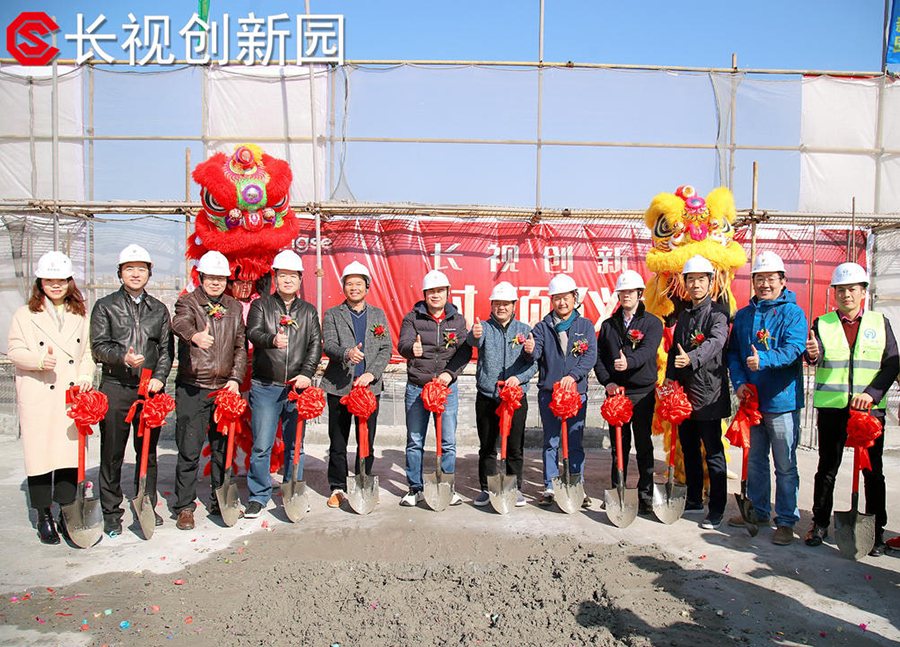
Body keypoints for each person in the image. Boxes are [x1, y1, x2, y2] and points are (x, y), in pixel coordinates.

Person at [804, 262, 898, 556]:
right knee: (827, 469)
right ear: (834, 293)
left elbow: (892, 363)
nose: (846, 294)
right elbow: (815, 355)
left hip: (868, 413)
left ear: (863, 292)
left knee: (873, 472)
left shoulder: (880, 323)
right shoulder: (822, 323)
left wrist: (871, 394)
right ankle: (820, 523)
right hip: (833, 409)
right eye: (841, 289)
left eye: (852, 289)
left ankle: (876, 532)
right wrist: (812, 355)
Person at [8, 252, 95, 544]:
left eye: (61, 280)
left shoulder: (80, 315)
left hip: (70, 397)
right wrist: (37, 360)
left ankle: (66, 512)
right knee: (40, 458)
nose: (55, 286)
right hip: (39, 393)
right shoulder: (25, 315)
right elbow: (14, 351)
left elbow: (87, 353)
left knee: (68, 458)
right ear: (40, 283)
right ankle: (43, 514)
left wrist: (85, 376)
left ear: (70, 282)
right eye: (49, 280)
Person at [90, 244, 173, 538]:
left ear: (149, 273)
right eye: (129, 269)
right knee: (112, 452)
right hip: (116, 387)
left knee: (147, 453)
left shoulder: (158, 309)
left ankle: (146, 504)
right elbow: (98, 346)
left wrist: (159, 378)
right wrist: (121, 357)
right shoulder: (105, 306)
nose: (135, 274)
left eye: (141, 269)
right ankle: (111, 512)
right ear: (120, 273)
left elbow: (166, 350)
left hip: (149, 391)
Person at [726, 252, 807, 545]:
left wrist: (766, 359)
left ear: (782, 281)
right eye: (759, 279)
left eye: (770, 279)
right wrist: (739, 383)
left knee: (785, 465)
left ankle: (785, 520)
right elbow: (734, 353)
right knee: (755, 461)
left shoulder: (793, 313)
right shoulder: (744, 315)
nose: (764, 284)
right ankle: (759, 511)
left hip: (782, 402)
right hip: (752, 400)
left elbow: (795, 348)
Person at [171, 251, 248, 530]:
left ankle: (219, 500)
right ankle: (184, 505)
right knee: (189, 449)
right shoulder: (188, 302)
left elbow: (240, 346)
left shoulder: (234, 307)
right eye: (210, 277)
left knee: (222, 450)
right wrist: (194, 336)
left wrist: (236, 379)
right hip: (194, 387)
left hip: (224, 388)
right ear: (201, 278)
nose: (215, 282)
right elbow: (179, 323)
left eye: (220, 278)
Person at [244, 250, 322, 519]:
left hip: (296, 387)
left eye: (293, 276)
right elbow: (253, 332)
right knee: (262, 445)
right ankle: (258, 496)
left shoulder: (308, 311)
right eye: (283, 275)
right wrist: (271, 340)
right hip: (266, 385)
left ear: (300, 279)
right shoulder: (261, 306)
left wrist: (307, 374)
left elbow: (315, 345)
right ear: (275, 278)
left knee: (295, 444)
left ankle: (293, 490)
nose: (288, 280)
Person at [665, 255, 730, 530]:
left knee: (713, 453)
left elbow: (716, 342)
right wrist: (669, 380)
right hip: (685, 396)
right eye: (691, 280)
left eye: (701, 280)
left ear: (710, 283)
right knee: (689, 448)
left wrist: (691, 358)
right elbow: (674, 351)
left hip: (710, 395)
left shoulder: (718, 314)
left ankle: (716, 508)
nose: (696, 285)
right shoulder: (684, 315)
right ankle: (694, 499)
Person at [397, 269, 472, 507]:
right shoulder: (412, 318)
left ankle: (446, 487)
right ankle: (415, 489)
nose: (436, 295)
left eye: (440, 291)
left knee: (447, 441)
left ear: (448, 293)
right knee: (415, 440)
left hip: (446, 389)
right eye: (431, 291)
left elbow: (464, 351)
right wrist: (412, 349)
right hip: (418, 387)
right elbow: (403, 344)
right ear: (425, 294)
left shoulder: (457, 320)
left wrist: (449, 375)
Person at [321, 261, 392, 508]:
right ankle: (338, 486)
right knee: (338, 439)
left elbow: (386, 348)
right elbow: (329, 344)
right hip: (339, 386)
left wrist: (372, 373)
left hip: (368, 388)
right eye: (349, 283)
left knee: (366, 440)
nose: (354, 288)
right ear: (343, 287)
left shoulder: (378, 315)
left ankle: (364, 480)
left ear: (367, 287)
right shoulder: (333, 314)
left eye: (358, 283)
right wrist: (346, 353)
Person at [594, 270, 664, 516]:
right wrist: (608, 382)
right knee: (618, 446)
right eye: (622, 292)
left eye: (631, 291)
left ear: (639, 294)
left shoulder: (652, 323)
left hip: (642, 393)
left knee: (643, 444)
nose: (626, 295)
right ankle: (618, 490)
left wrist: (629, 362)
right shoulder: (608, 325)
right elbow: (599, 357)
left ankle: (645, 494)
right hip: (616, 393)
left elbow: (648, 350)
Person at [528, 274, 597, 508]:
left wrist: (573, 376)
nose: (562, 302)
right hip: (549, 393)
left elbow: (590, 356)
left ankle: (577, 484)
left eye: (566, 297)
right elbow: (536, 352)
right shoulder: (542, 327)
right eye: (557, 298)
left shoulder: (585, 326)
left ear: (574, 298)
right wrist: (530, 349)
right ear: (552, 300)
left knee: (575, 441)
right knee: (551, 441)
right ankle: (550, 485)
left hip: (576, 393)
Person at [467, 281, 537, 508]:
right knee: (488, 446)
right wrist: (474, 335)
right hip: (488, 396)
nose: (501, 307)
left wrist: (520, 376)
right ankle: (486, 489)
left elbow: (534, 364)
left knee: (515, 446)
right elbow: (472, 340)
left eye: (506, 303)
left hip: (515, 397)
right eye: (497, 303)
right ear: (491, 305)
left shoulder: (524, 330)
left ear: (514, 305)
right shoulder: (484, 328)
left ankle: (514, 487)